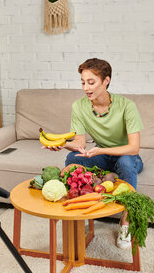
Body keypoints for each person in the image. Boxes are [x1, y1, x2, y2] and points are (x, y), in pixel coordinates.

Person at [43, 58, 144, 249]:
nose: (85, 88)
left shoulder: (126, 106)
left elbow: (134, 148)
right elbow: (80, 144)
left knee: (125, 163)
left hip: (128, 157)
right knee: (73, 158)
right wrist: (62, 144)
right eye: (83, 82)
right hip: (102, 157)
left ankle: (126, 221)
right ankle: (78, 210)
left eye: (91, 82)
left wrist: (101, 149)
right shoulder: (79, 106)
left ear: (106, 81)